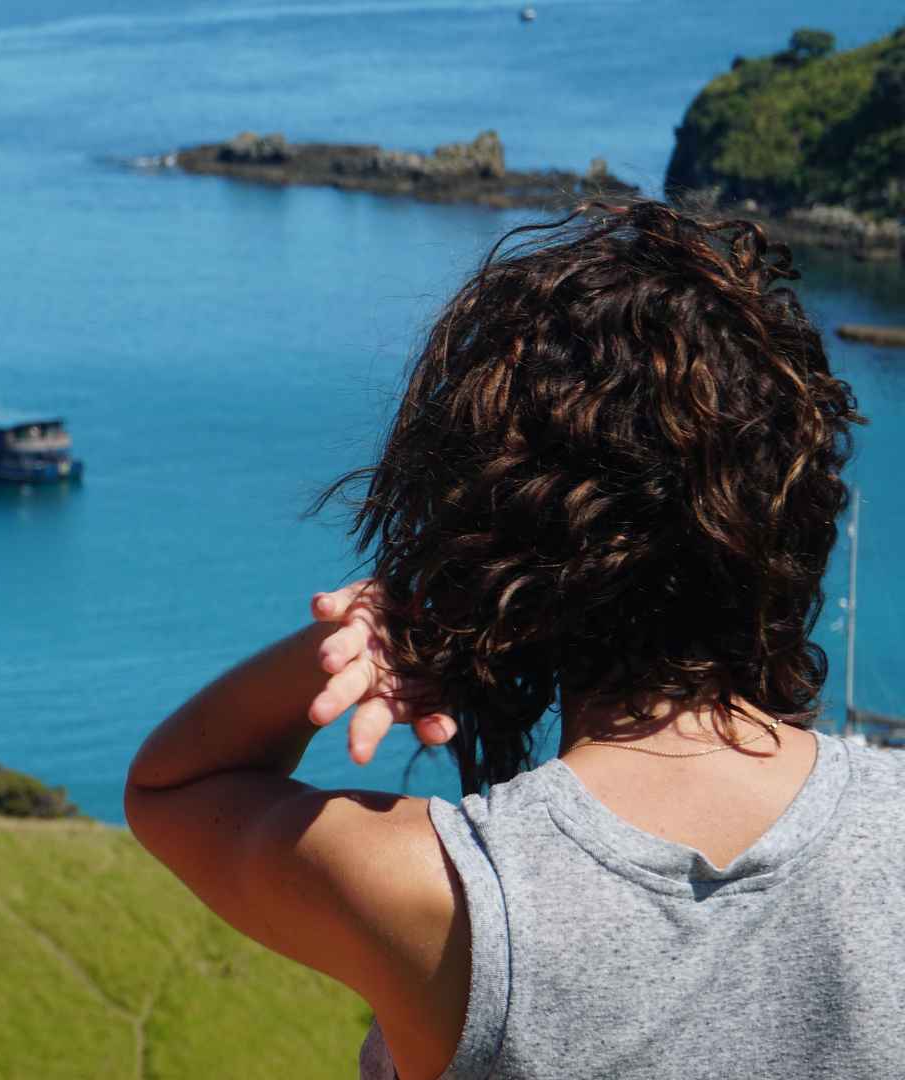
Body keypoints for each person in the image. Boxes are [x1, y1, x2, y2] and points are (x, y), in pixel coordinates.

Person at [125, 201, 904, 1079]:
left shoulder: (457, 894)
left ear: (487, 536)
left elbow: (171, 789)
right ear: (792, 512)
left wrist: (382, 631)